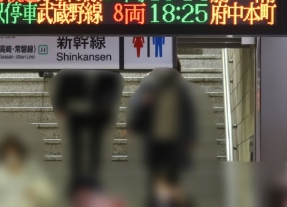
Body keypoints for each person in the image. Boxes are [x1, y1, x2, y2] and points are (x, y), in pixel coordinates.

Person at [128, 69, 197, 207]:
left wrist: (190, 137)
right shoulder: (151, 88)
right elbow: (140, 112)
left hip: (175, 142)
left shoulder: (181, 91)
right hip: (155, 142)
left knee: (173, 179)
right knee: (154, 178)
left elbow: (189, 115)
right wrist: (144, 105)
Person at [51, 70, 123, 192]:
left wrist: (105, 103)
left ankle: (94, 178)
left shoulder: (108, 66)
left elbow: (112, 86)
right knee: (76, 147)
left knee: (95, 146)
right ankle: (76, 179)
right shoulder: (76, 62)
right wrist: (60, 104)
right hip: (76, 111)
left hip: (98, 111)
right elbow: (65, 81)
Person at [0, 135, 55, 207]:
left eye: (14, 152)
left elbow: (46, 190)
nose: (12, 156)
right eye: (8, 153)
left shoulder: (30, 168)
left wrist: (35, 192)